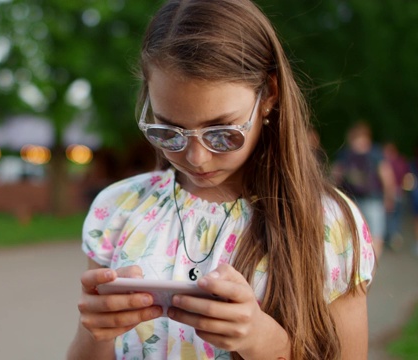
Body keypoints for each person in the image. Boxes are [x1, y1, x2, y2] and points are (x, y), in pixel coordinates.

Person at [66, 1, 375, 359]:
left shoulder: (328, 223)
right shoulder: (118, 209)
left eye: (222, 133)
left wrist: (266, 342)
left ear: (269, 95)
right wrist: (98, 333)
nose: (196, 158)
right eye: (169, 131)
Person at [332, 122, 395, 258]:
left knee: (351, 235)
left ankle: (356, 266)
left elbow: (335, 175)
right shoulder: (375, 153)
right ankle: (372, 267)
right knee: (376, 235)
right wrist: (389, 197)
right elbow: (386, 176)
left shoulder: (345, 153)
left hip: (350, 200)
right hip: (374, 200)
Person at [382, 142, 409, 250]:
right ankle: (395, 237)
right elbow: (407, 177)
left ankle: (391, 238)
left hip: (392, 193)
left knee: (390, 217)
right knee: (397, 217)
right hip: (400, 192)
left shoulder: (386, 164)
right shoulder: (402, 162)